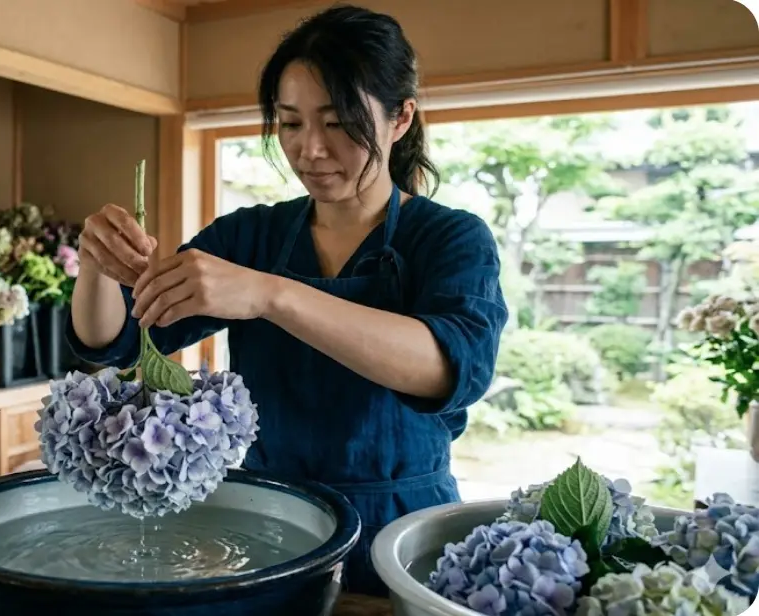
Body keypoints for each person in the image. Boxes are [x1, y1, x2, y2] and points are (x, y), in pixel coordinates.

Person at [66, 4, 509, 597]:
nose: (311, 149)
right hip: (271, 520)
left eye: (339, 122)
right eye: (291, 123)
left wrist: (270, 294)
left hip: (402, 528)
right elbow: (118, 339)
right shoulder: (250, 237)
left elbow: (449, 370)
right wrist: (95, 268)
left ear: (400, 118)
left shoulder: (450, 237)